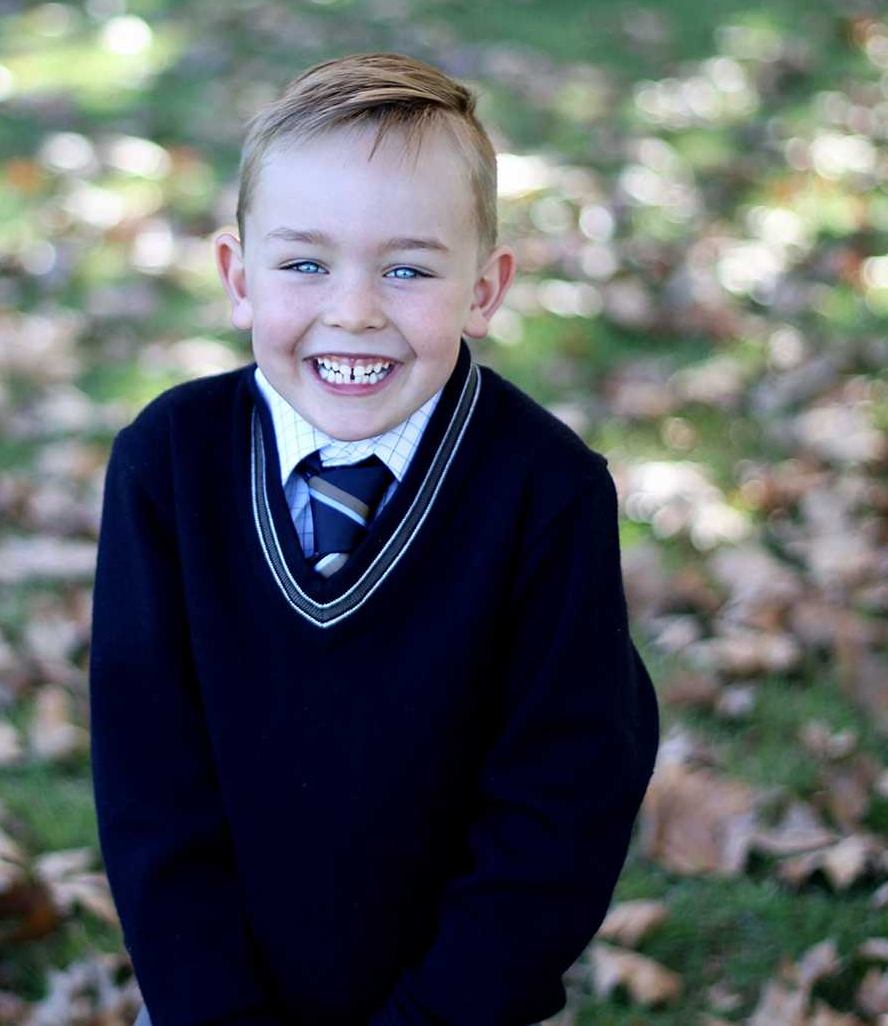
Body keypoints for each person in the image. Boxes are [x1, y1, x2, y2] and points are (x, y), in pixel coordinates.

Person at [89, 52, 660, 1026]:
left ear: (484, 287)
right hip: (219, 994)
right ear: (237, 275)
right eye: (305, 263)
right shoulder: (168, 463)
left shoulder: (545, 493)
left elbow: (561, 803)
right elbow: (150, 779)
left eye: (406, 268)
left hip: (462, 1000)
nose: (352, 309)